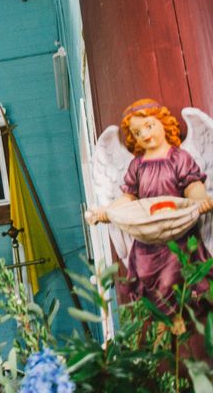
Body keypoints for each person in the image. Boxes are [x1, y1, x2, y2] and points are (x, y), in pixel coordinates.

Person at [89, 99, 213, 313]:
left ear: (163, 123)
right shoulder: (137, 165)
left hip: (178, 233)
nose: (145, 135)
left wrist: (202, 202)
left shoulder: (179, 158)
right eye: (137, 133)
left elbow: (193, 187)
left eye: (149, 126)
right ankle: (164, 325)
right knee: (145, 279)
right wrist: (107, 212)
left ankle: (179, 318)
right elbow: (128, 198)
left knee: (171, 281)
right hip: (148, 236)